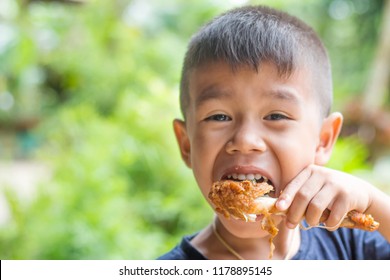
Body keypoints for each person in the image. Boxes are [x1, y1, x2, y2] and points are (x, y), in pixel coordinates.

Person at [158, 5, 390, 260]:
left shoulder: (354, 245)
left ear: (322, 141)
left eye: (276, 116)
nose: (245, 141)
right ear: (186, 144)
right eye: (219, 117)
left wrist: (373, 202)